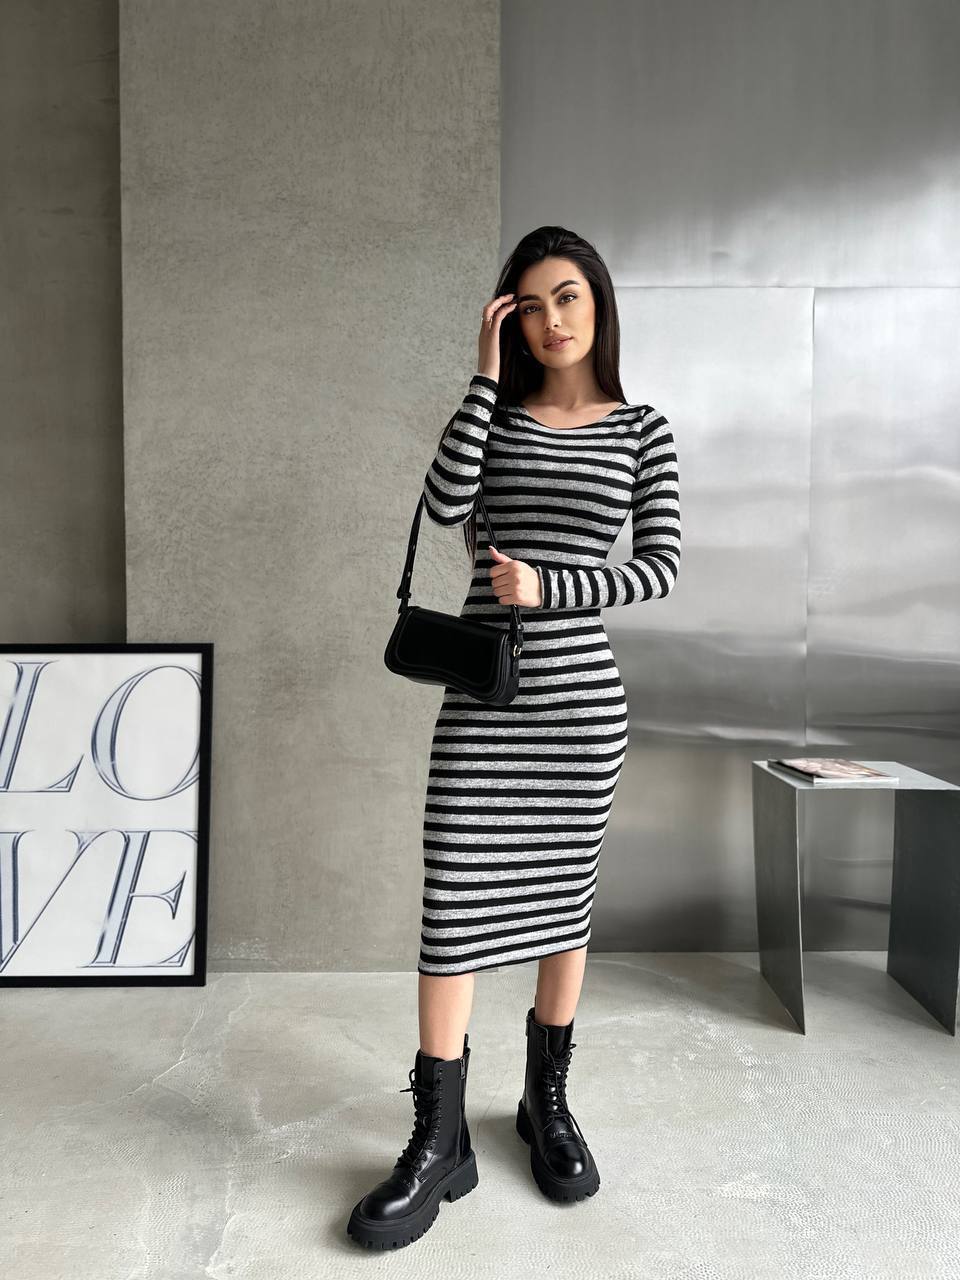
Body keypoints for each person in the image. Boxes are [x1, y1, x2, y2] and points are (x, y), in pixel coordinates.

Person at [347, 226, 681, 1249]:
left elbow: (659, 567)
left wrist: (553, 585)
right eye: (531, 305)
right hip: (486, 693)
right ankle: (438, 1133)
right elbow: (444, 503)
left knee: (561, 904)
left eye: (569, 296)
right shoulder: (495, 414)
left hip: (580, 705)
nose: (554, 320)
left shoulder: (644, 429)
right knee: (451, 899)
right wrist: (482, 380)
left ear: (598, 302)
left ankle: (546, 1102)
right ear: (511, 320)